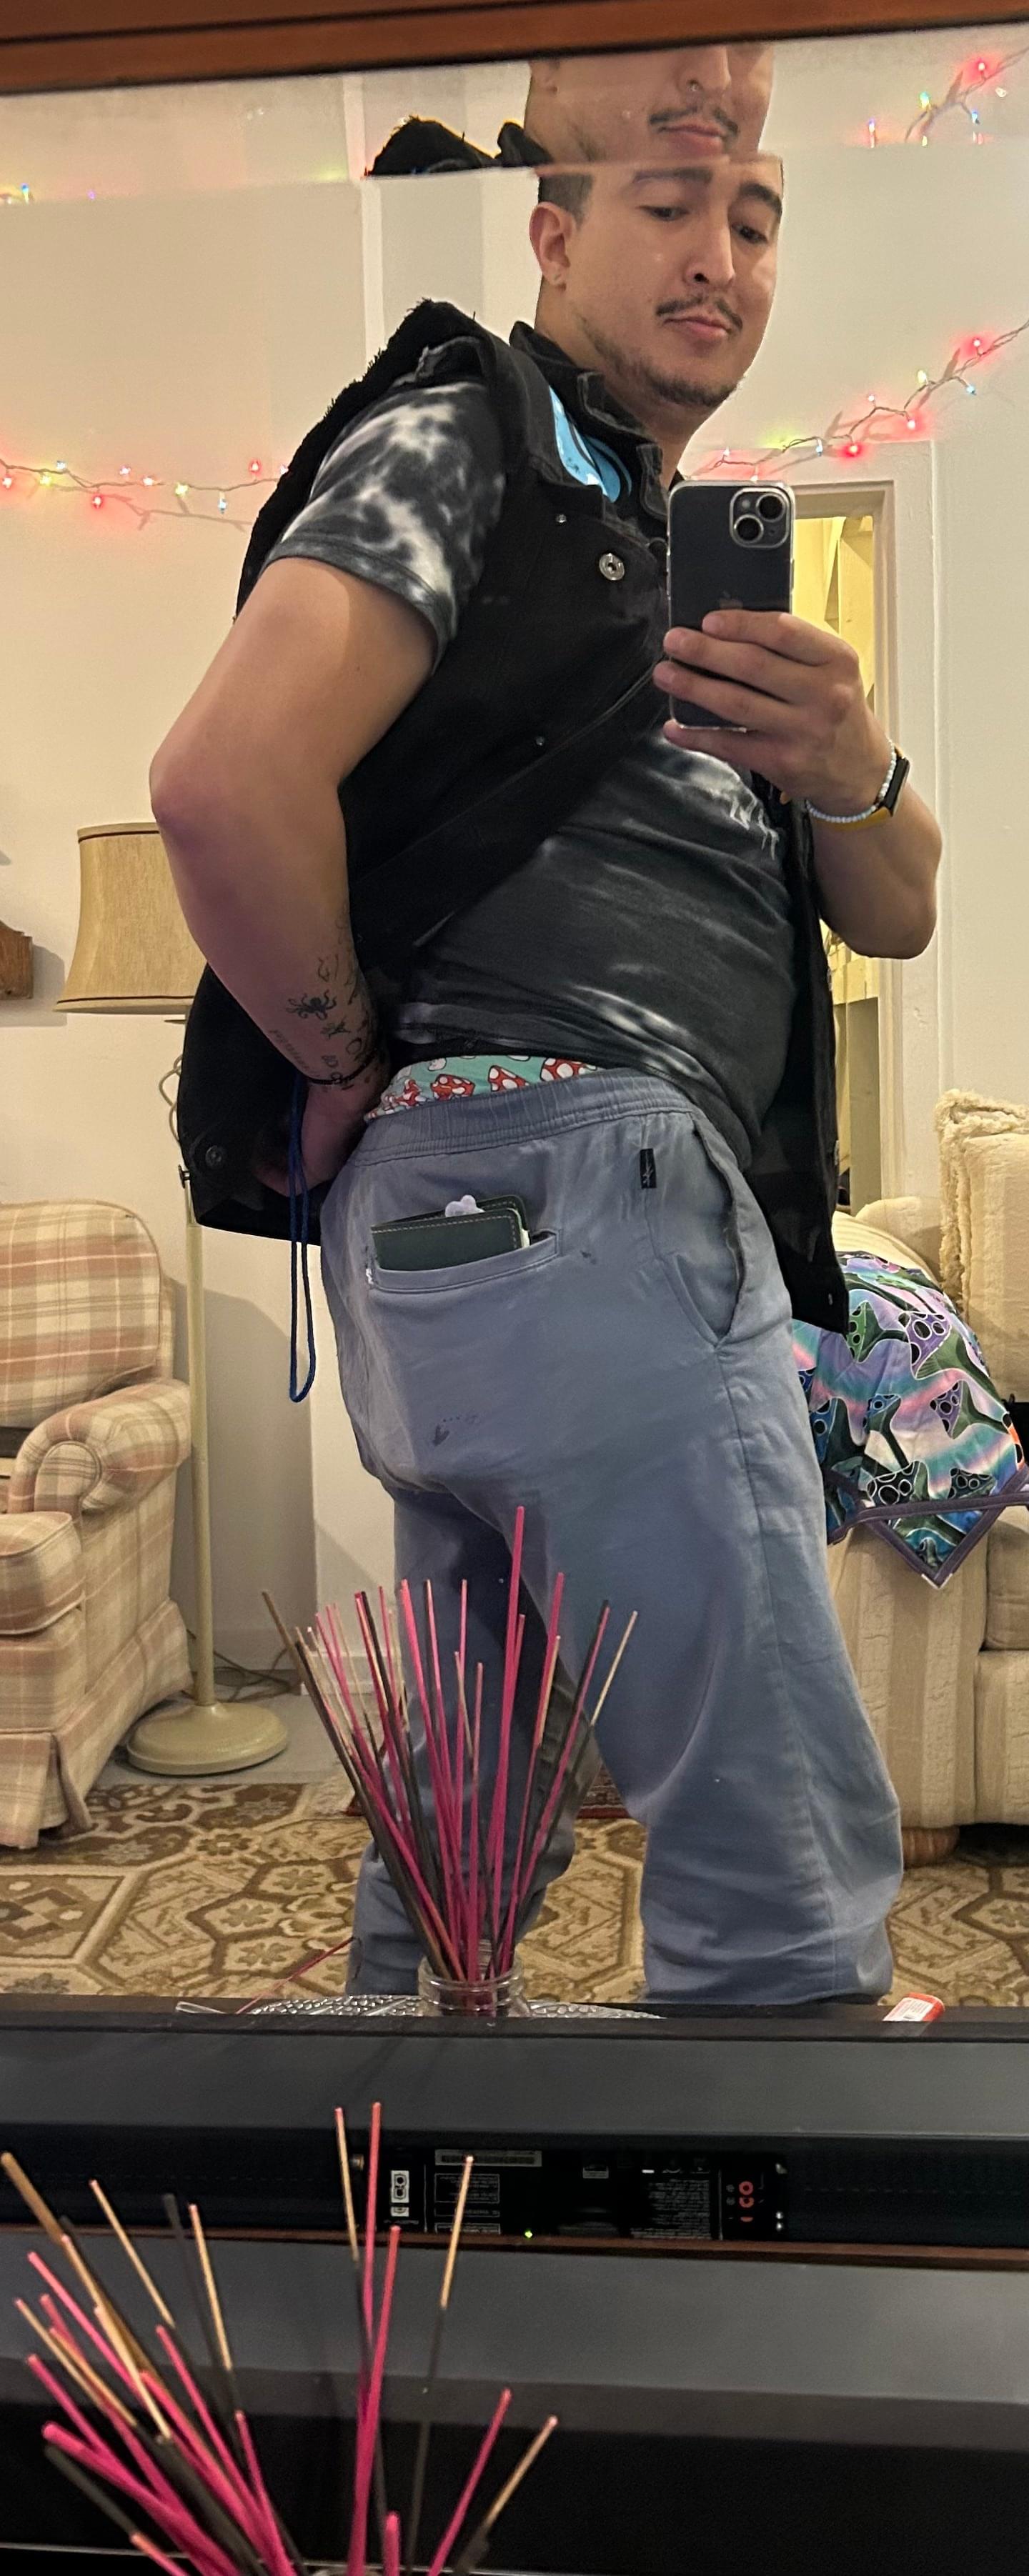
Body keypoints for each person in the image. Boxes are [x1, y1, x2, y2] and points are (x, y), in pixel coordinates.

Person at [156, 151, 941, 2005]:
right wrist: (338, 1045)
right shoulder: (475, 433)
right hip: (591, 1186)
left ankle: (416, 2153)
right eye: (672, 202)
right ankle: (767, 2192)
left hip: (454, 1243)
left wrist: (850, 757)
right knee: (773, 1851)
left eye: (759, 219)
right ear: (554, 232)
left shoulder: (647, 569)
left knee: (461, 1816)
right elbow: (219, 783)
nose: (721, 255)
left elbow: (902, 910)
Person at [370, 41, 772, 174]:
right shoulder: (425, 202)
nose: (716, 77)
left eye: (750, 34)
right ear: (549, 53)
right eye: (661, 17)